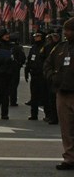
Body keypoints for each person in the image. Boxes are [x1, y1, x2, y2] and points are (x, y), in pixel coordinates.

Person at [44, 18, 74, 170]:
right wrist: (52, 77)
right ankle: (69, 158)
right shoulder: (60, 48)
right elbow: (47, 64)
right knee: (66, 129)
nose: (65, 33)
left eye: (68, 30)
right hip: (62, 93)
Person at [0, 29, 22, 120]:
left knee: (6, 94)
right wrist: (3, 59)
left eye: (8, 35)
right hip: (0, 72)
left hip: (9, 72)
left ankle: (4, 114)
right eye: (5, 35)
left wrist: (14, 62)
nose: (7, 36)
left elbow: (19, 58)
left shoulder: (12, 46)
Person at [25, 31, 47, 120]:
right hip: (34, 74)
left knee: (45, 96)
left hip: (42, 75)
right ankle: (34, 114)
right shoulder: (33, 47)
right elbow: (29, 59)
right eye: (35, 36)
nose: (36, 38)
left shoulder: (45, 47)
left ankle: (48, 114)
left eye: (38, 36)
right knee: (34, 95)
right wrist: (27, 70)